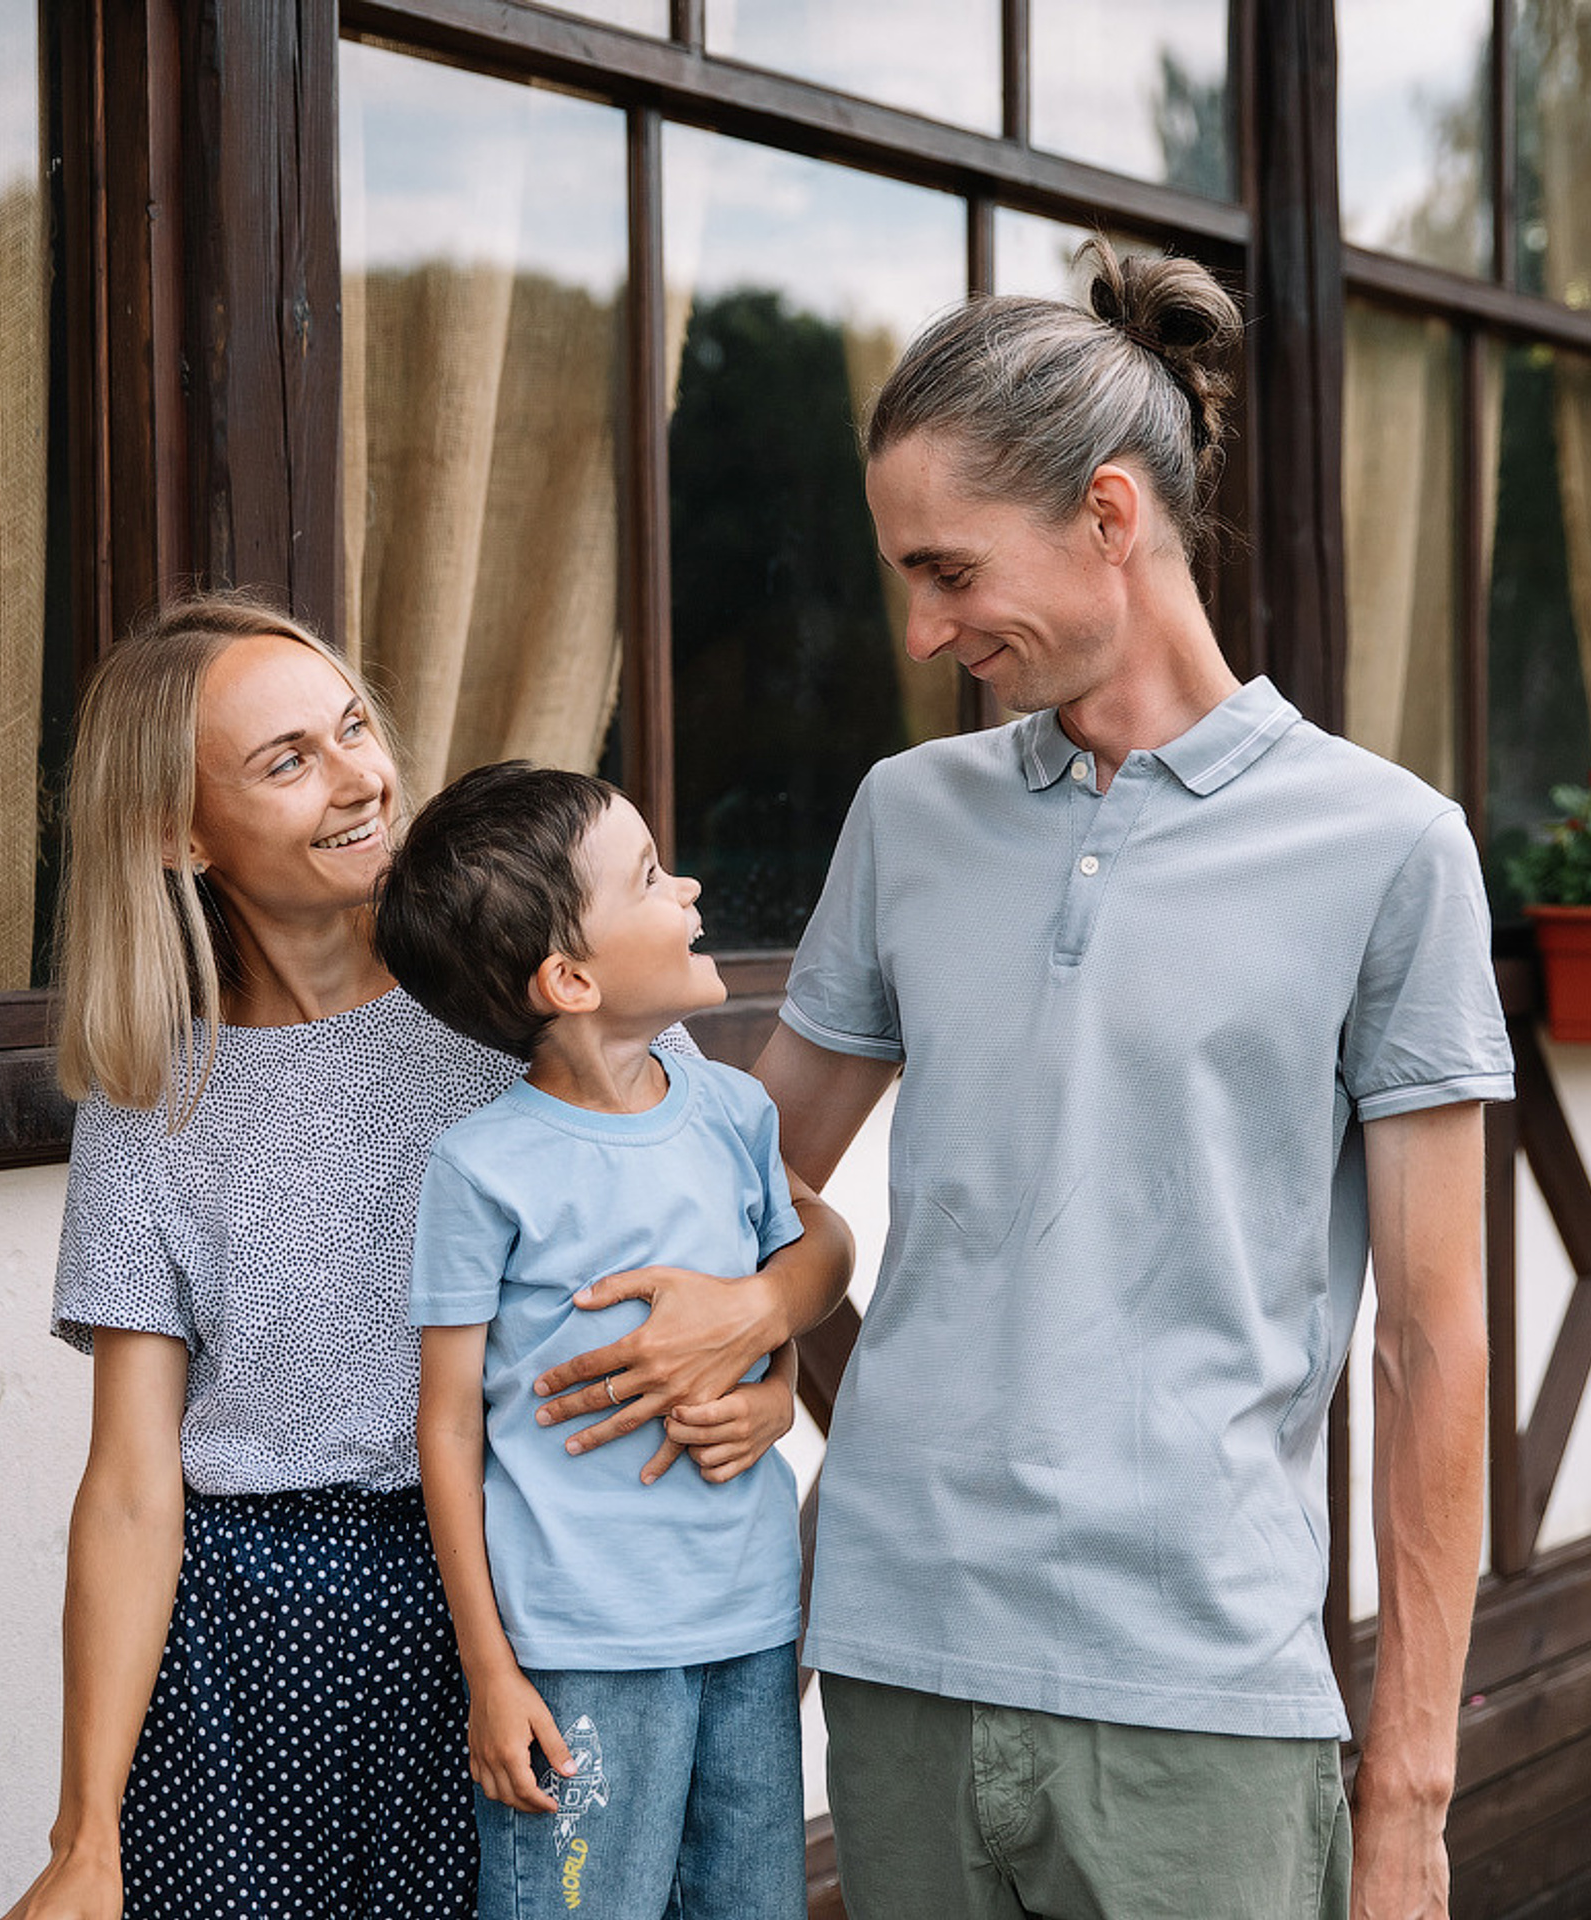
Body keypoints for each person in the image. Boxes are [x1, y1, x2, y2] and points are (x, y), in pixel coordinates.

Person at [535, 242, 1514, 1920]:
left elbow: (1434, 1346)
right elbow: (753, 1180)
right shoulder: (912, 819)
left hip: (1200, 1697)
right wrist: (756, 1334)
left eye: (947, 572)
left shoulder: (1389, 848)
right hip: (897, 1657)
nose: (922, 631)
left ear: (1112, 517)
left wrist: (1410, 1792)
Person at [0, 598, 851, 1920]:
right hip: (244, 1653)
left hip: (518, 1603)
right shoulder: (150, 1097)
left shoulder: (522, 996)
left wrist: (754, 1340)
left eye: (351, 728)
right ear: (177, 830)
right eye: (288, 762)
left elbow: (780, 1239)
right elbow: (128, 1487)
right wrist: (84, 1836)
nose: (359, 779)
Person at [374, 760, 812, 1920]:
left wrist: (778, 1394)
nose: (692, 888)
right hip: (577, 1652)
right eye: (654, 877)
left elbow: (781, 1291)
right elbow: (448, 1423)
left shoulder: (735, 1112)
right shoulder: (483, 1167)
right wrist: (489, 1669)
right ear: (570, 977)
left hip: (753, 1620)